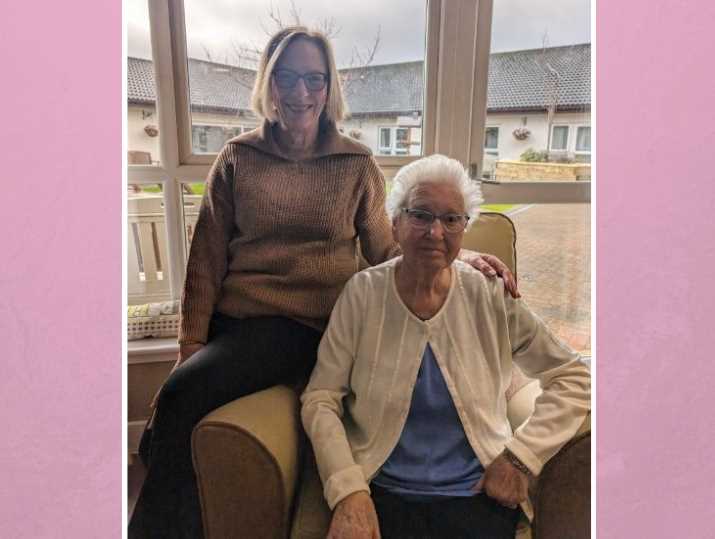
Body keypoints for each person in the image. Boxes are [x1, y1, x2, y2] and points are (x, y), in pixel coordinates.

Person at [129, 26, 517, 539]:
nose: (300, 93)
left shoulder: (354, 162)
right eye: (287, 78)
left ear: (330, 87)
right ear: (268, 83)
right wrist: (191, 346)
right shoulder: (238, 157)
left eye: (314, 79)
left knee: (178, 401)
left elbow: (387, 248)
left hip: (311, 325)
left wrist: (457, 252)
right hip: (238, 326)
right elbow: (205, 259)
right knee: (182, 400)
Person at [301, 154, 591, 539]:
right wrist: (348, 490)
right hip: (382, 491)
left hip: (473, 494)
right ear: (395, 223)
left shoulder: (489, 294)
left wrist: (521, 458)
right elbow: (321, 398)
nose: (435, 232)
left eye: (451, 219)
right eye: (420, 215)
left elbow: (573, 377)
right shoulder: (363, 293)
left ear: (464, 228)